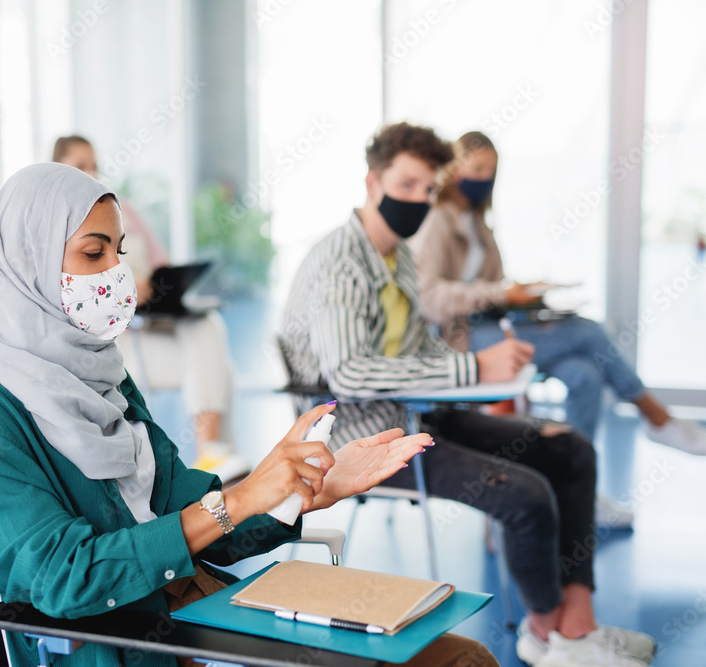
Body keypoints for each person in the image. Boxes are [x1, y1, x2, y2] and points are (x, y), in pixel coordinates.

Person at [0, 163, 497, 667]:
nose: (116, 273)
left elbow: (197, 516)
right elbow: (65, 576)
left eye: (119, 252)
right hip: (118, 646)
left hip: (193, 617)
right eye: (92, 252)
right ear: (26, 261)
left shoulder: (104, 375)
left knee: (464, 657)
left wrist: (300, 490)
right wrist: (239, 499)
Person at [279, 123, 656, 667]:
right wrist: (474, 365)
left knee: (570, 449)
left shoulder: (399, 256)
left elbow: (419, 354)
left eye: (429, 189)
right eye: (406, 184)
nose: (418, 199)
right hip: (368, 441)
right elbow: (351, 375)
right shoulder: (341, 263)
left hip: (418, 415)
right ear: (372, 181)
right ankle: (545, 637)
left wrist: (484, 370)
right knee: (524, 495)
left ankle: (578, 628)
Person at [411, 130, 706, 457]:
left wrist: (526, 295)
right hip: (463, 339)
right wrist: (502, 292)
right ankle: (659, 419)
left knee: (585, 375)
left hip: (496, 326)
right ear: (454, 170)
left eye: (490, 172)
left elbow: (494, 287)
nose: (484, 178)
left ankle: (579, 481)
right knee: (588, 331)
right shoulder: (436, 221)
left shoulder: (478, 223)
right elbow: (429, 297)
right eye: (477, 169)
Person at [53, 135, 249, 482]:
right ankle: (219, 469)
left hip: (154, 324)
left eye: (93, 164)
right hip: (119, 343)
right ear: (58, 170)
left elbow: (162, 264)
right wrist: (126, 289)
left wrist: (162, 287)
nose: (91, 172)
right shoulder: (59, 228)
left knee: (209, 329)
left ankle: (212, 455)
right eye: (80, 165)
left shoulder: (121, 210)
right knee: (223, 371)